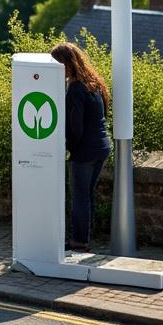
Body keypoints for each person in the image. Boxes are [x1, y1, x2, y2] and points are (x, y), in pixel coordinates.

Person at [51, 41, 112, 251]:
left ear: (66, 64)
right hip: (102, 146)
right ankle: (85, 237)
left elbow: (75, 126)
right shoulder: (94, 82)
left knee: (79, 197)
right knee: (87, 195)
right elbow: (102, 114)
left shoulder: (75, 88)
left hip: (85, 151)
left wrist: (67, 147)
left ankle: (79, 241)